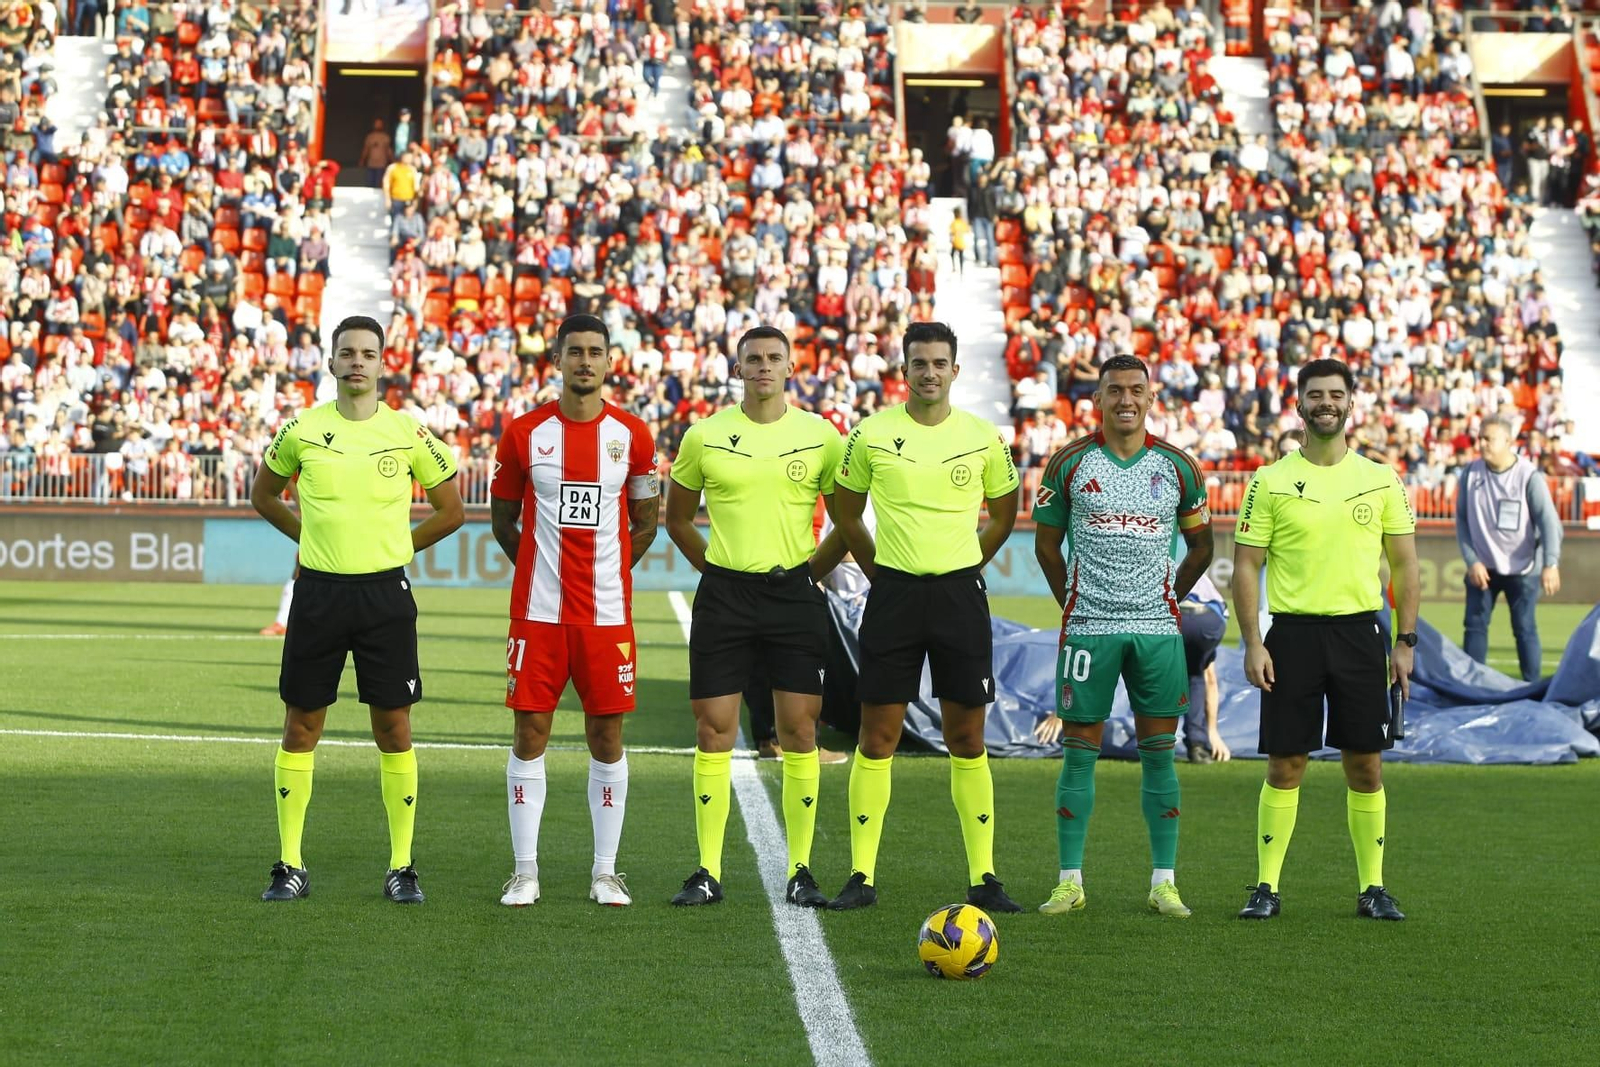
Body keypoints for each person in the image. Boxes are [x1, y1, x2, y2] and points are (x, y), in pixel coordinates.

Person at [251, 315, 466, 904]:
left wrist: (400, 548)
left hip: (384, 597)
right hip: (318, 595)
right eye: (347, 353)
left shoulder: (408, 432)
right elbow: (263, 494)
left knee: (393, 728)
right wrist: (307, 539)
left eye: (368, 354)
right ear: (331, 362)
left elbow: (451, 509)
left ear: (382, 363)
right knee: (301, 725)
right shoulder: (301, 428)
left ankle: (402, 867)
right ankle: (289, 864)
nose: (357, 362)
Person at [828, 321, 1022, 912]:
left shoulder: (983, 436)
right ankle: (861, 876)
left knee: (967, 737)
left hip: (960, 598)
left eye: (940, 363)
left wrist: (967, 566)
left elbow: (1004, 513)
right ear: (904, 370)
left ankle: (984, 877)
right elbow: (846, 512)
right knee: (877, 736)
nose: (930, 372)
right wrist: (878, 571)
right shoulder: (870, 434)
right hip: (894, 597)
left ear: (955, 370)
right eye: (920, 363)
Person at [664, 326, 848, 908]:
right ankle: (707, 870)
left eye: (774, 358)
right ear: (738, 368)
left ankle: (801, 870)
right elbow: (676, 519)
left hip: (793, 596)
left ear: (791, 367)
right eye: (753, 359)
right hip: (725, 598)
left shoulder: (821, 436)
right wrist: (716, 572)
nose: (764, 366)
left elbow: (847, 521)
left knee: (800, 731)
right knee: (712, 729)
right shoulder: (704, 435)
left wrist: (809, 575)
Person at [1233, 358, 1419, 922]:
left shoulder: (1381, 478)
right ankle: (1266, 887)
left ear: (1350, 403)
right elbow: (1246, 566)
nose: (1326, 404)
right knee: (1285, 764)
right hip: (1291, 636)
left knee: (1366, 766)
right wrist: (1252, 641)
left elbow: (1406, 566)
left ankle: (1373, 888)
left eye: (1336, 394)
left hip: (1360, 634)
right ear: (1299, 404)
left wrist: (1405, 642)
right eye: (1315, 395)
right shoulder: (1268, 480)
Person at [1030, 354, 1214, 919]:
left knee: (1159, 756)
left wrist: (1169, 596)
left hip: (1157, 629)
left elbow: (1202, 547)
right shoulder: (1069, 462)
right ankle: (1069, 882)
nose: (1126, 399)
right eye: (1115, 390)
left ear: (1151, 398)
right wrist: (1071, 601)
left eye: (1136, 390)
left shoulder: (1178, 467)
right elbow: (1045, 546)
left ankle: (1164, 883)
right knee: (1077, 755)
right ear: (1099, 399)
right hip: (1089, 628)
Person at [489, 314, 659, 908]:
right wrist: (541, 570)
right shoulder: (523, 433)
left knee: (606, 736)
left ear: (609, 361)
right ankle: (525, 872)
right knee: (529, 733)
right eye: (575, 351)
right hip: (537, 615)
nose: (585, 361)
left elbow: (646, 523)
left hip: (606, 618)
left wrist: (608, 574)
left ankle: (605, 873)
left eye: (595, 351)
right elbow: (503, 521)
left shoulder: (634, 436)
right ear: (557, 360)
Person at [1455, 416, 1563, 682]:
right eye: (1480, 437)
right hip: (1483, 566)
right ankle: (1471, 688)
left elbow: (1549, 523)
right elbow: (1462, 521)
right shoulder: (1470, 474)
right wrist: (1472, 561)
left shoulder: (1528, 476)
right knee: (1475, 626)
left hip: (1524, 567)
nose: (1482, 443)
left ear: (1508, 441)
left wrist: (1550, 563)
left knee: (1524, 628)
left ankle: (1531, 688)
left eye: (1488, 438)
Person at [1179, 573, 1232, 764]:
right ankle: (1197, 745)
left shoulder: (1158, 566)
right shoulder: (1202, 576)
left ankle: (1153, 739)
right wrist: (1213, 732)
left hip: (1174, 616)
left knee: (1153, 674)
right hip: (1209, 620)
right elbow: (1211, 680)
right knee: (1197, 675)